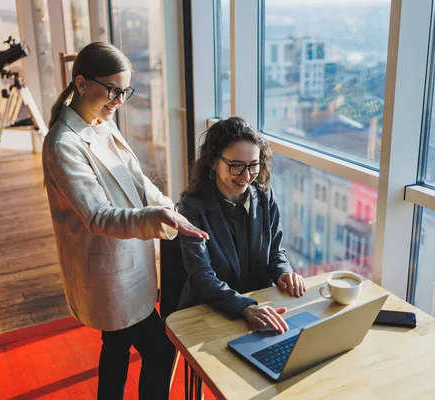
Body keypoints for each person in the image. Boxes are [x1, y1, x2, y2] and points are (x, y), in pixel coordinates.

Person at [42, 42, 208, 400]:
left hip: (129, 260)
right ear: (82, 83)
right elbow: (98, 215)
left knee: (115, 345)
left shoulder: (102, 120)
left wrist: (170, 208)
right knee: (160, 351)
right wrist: (158, 217)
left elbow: (136, 179)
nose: (120, 99)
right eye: (113, 89)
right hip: (109, 271)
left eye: (125, 90)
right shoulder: (62, 144)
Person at [177, 117, 306, 334]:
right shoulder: (191, 207)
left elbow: (275, 252)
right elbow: (201, 276)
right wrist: (244, 306)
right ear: (213, 162)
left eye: (253, 165)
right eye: (236, 166)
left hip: (260, 305)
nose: (246, 176)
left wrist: (284, 273)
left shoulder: (264, 196)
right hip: (210, 310)